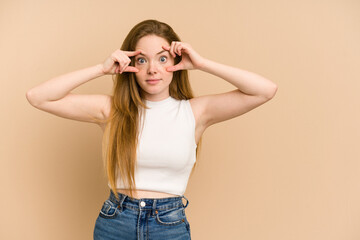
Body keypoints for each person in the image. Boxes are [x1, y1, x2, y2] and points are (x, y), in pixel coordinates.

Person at [26, 19, 277, 240]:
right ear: (129, 65)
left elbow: (265, 90)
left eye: (162, 58)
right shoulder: (113, 110)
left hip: (168, 224)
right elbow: (38, 97)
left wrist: (202, 64)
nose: (152, 69)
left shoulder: (195, 112)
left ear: (176, 62)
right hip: (116, 221)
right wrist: (101, 69)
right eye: (142, 60)